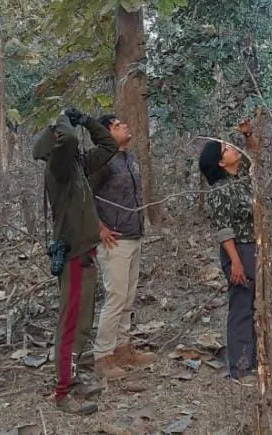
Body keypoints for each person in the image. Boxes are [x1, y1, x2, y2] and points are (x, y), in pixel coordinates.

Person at [32, 107, 118, 414]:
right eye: (58, 137)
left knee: (82, 323)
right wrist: (61, 120)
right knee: (70, 325)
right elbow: (67, 141)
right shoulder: (58, 169)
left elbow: (109, 147)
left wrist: (88, 121)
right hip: (73, 254)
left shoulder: (77, 168)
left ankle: (73, 377)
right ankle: (62, 392)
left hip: (85, 253)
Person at [88, 114, 157, 379]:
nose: (126, 126)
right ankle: (102, 356)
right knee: (115, 298)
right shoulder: (101, 162)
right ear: (105, 135)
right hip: (114, 240)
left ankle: (122, 348)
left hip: (133, 235)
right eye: (117, 126)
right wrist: (99, 227)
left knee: (127, 297)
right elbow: (84, 195)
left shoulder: (130, 158)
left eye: (123, 123)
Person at [198, 120, 259, 382]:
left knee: (254, 305)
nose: (233, 149)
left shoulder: (242, 178)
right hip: (239, 251)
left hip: (253, 249)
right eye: (226, 149)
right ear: (221, 163)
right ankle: (240, 366)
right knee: (241, 307)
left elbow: (254, 156)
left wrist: (248, 134)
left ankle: (253, 359)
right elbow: (224, 231)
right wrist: (235, 262)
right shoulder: (220, 191)